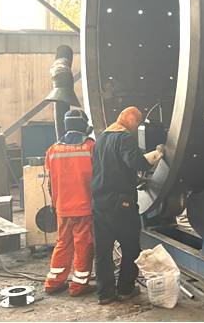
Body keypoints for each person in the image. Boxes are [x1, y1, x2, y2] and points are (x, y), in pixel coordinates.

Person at [91, 106, 164, 305]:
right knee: (131, 247)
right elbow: (137, 163)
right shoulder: (124, 138)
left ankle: (105, 294)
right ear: (132, 122)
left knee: (103, 251)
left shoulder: (101, 138)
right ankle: (125, 288)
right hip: (121, 204)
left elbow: (107, 167)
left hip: (99, 203)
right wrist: (157, 154)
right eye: (137, 122)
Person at [43, 109, 96, 297]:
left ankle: (53, 283)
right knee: (83, 245)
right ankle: (78, 286)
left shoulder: (53, 150)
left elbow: (50, 183)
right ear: (83, 125)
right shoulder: (90, 147)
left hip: (62, 208)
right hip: (84, 207)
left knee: (62, 244)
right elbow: (98, 178)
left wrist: (55, 203)